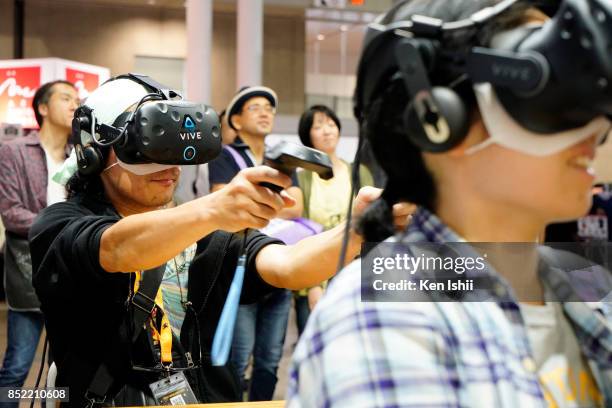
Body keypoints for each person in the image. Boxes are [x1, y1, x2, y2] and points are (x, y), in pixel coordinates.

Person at [288, 0, 612, 407]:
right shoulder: (388, 316)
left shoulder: (586, 280)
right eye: (541, 91)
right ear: (437, 118)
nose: (587, 119)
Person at [28, 75, 410, 406]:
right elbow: (115, 249)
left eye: (174, 149)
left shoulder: (204, 231)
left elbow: (290, 265)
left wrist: (360, 229)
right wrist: (215, 209)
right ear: (94, 154)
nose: (167, 166)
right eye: (146, 150)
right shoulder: (59, 225)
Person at [208, 86, 302, 400]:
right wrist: (275, 202)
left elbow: (298, 206)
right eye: (255, 107)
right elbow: (227, 205)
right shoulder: (224, 154)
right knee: (237, 356)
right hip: (240, 267)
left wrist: (256, 204)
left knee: (270, 359)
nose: (265, 112)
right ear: (235, 120)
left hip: (280, 263)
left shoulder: (284, 156)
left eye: (269, 108)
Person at [0, 80, 78, 405]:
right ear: (43, 108)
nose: (75, 104)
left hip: (75, 271)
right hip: (28, 269)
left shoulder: (84, 156)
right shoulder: (15, 151)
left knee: (66, 369)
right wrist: (66, 225)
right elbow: (12, 213)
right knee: (18, 366)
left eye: (77, 99)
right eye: (66, 98)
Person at [293, 105, 376, 335]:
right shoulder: (302, 179)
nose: (327, 131)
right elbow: (301, 230)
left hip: (354, 271)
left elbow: (371, 226)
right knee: (313, 339)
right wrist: (313, 285)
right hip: (314, 270)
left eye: (331, 124)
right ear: (307, 134)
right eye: (318, 126)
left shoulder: (360, 173)